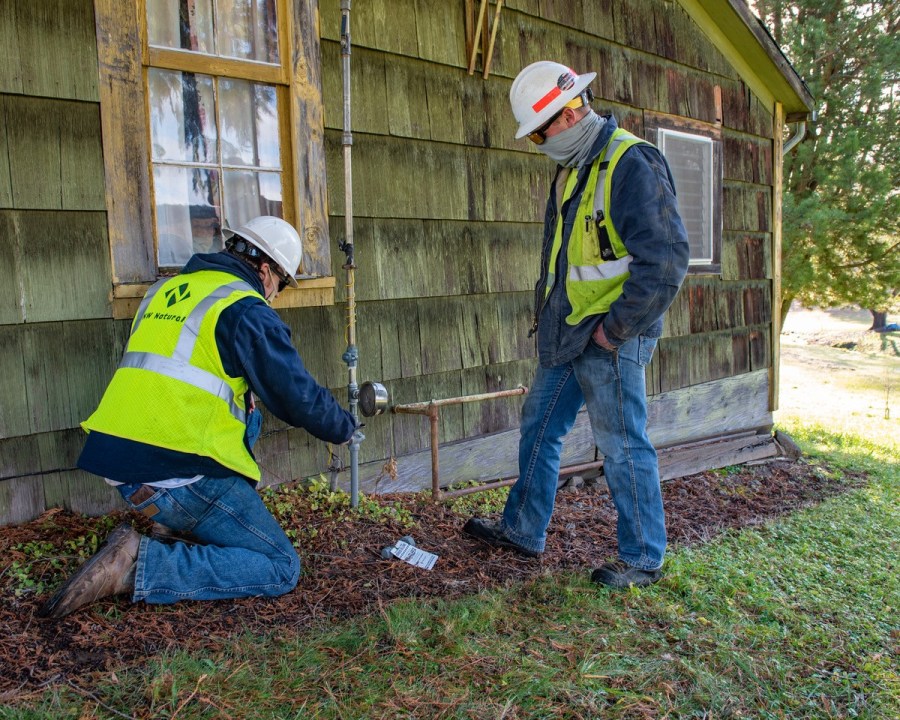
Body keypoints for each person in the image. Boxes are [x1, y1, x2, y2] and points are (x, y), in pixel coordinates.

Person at [39, 216, 357, 619]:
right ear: (265, 270)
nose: (276, 295)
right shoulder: (245, 309)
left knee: (249, 412)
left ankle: (171, 524)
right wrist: (344, 428)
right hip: (172, 475)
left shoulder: (165, 291)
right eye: (281, 283)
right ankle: (139, 565)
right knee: (280, 567)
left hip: (119, 461)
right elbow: (297, 397)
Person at [463, 62, 690, 588]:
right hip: (567, 330)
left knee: (621, 443)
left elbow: (667, 261)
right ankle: (522, 530)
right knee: (539, 428)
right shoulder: (574, 167)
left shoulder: (631, 162)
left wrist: (614, 330)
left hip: (613, 333)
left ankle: (642, 557)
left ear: (568, 114)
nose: (537, 144)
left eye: (540, 133)